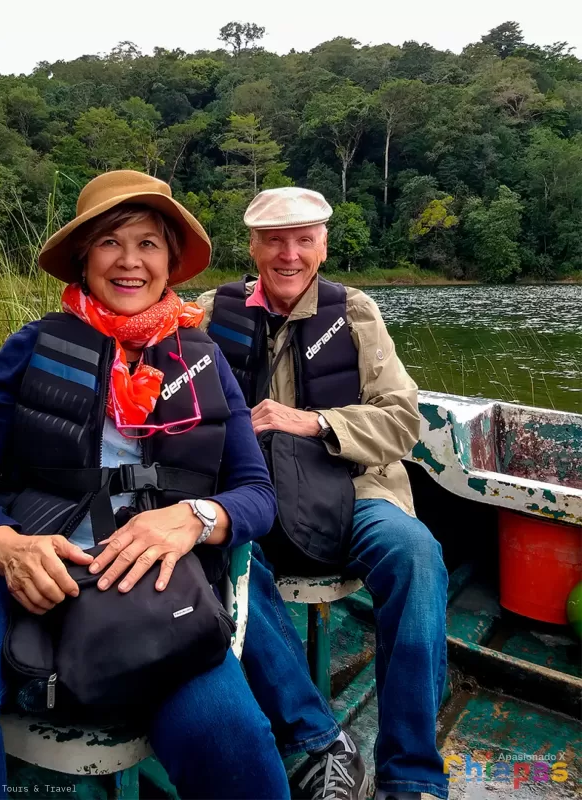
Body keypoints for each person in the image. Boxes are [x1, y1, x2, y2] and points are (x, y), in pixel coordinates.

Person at [0, 171, 291, 799]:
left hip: (154, 584)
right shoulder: (30, 346)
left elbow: (257, 493)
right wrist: (5, 547)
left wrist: (194, 518)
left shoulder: (203, 358)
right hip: (31, 568)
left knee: (232, 737)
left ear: (170, 262)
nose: (130, 262)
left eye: (148, 243)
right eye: (109, 242)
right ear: (83, 257)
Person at [197, 187, 449, 800]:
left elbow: (401, 420)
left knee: (415, 556)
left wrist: (311, 422)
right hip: (252, 494)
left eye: (304, 239)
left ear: (324, 244)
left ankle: (410, 772)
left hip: (354, 488)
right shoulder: (206, 313)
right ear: (252, 246)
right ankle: (316, 741)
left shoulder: (355, 311)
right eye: (275, 241)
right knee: (220, 560)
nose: (290, 255)